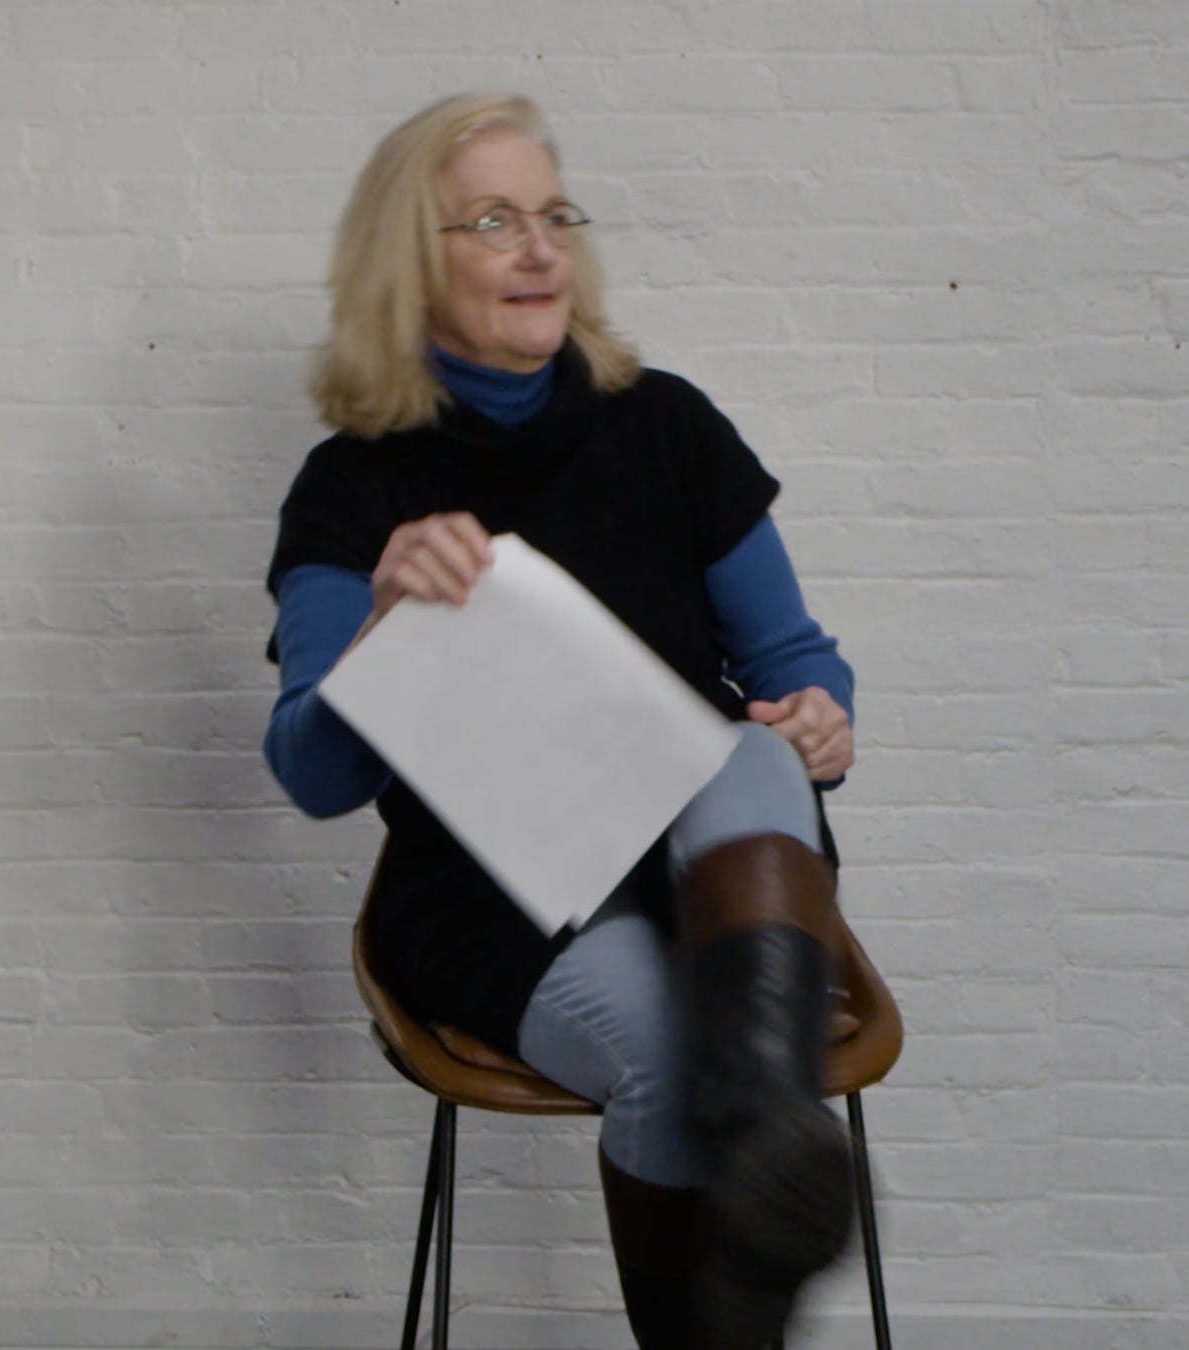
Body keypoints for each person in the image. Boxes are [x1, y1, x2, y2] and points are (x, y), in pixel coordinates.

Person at [260, 93, 858, 1350]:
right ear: (410, 259)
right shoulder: (353, 486)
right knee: (667, 1052)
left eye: (555, 215)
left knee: (750, 747)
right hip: (499, 895)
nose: (541, 248)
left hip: (707, 859)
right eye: (493, 220)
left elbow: (796, 661)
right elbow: (313, 774)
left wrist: (821, 718)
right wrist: (382, 625)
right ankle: (765, 1149)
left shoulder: (668, 425)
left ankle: (765, 1126)